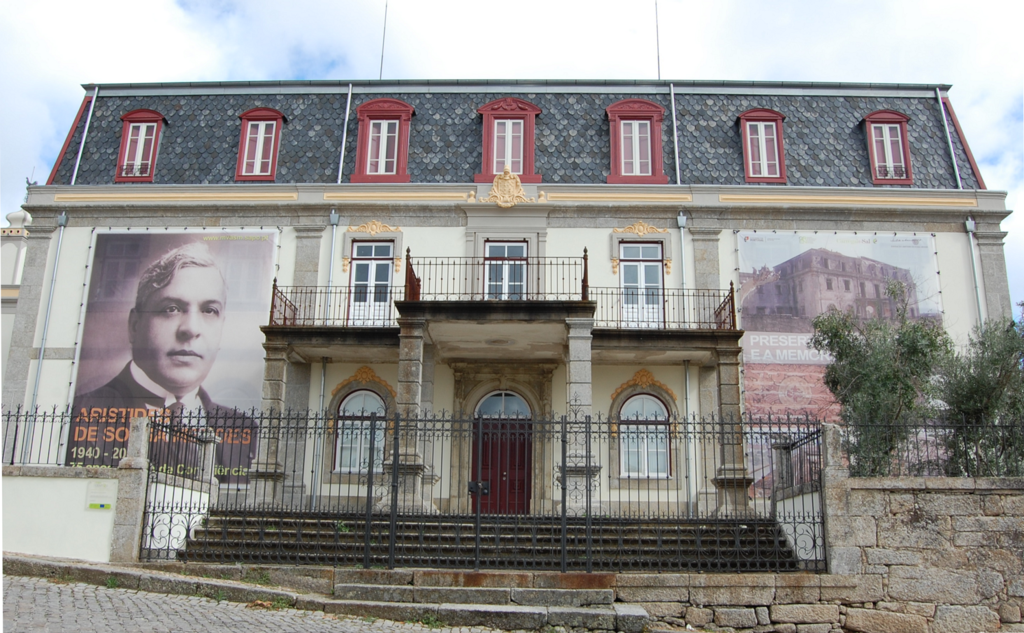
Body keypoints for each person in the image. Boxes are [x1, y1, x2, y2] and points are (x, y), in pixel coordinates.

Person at [68, 242, 257, 485]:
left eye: (209, 310)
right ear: (135, 325)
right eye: (171, 308)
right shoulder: (80, 412)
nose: (190, 329)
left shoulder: (243, 427)